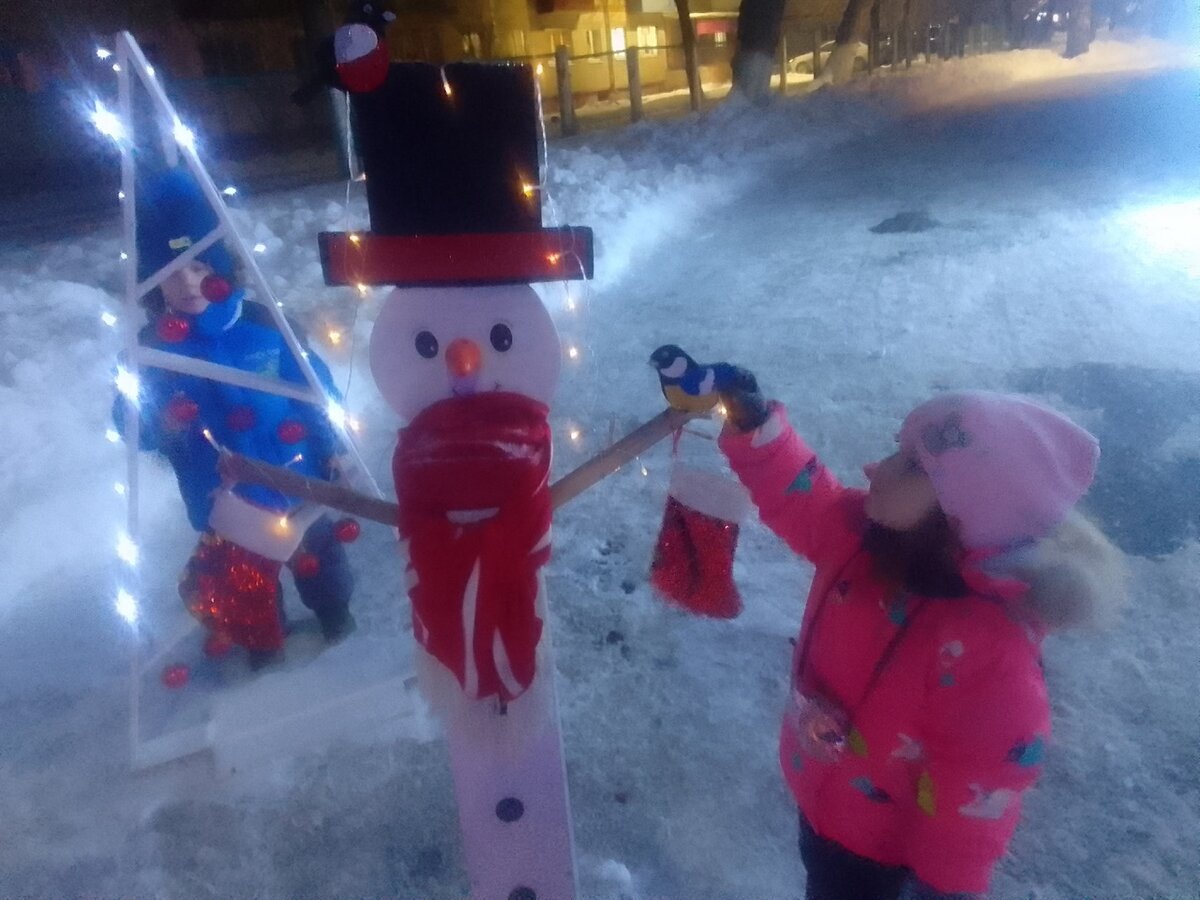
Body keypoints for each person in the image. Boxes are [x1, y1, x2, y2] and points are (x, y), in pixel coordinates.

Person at [715, 374, 1127, 899]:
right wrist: (758, 428)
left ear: (968, 507)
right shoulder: (865, 539)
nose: (876, 468)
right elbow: (806, 500)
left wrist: (944, 888)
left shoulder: (988, 653)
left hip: (881, 858)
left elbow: (974, 791)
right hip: (822, 799)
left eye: (912, 465)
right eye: (897, 452)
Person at [114, 167, 355, 666]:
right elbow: (132, 423)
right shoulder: (152, 353)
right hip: (224, 501)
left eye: (201, 267)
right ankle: (265, 642)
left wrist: (329, 444)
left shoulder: (265, 327)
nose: (187, 283)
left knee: (320, 560)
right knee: (245, 581)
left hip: (296, 478)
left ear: (224, 268)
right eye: (172, 272)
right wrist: (163, 425)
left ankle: (334, 614)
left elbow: (314, 390)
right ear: (152, 282)